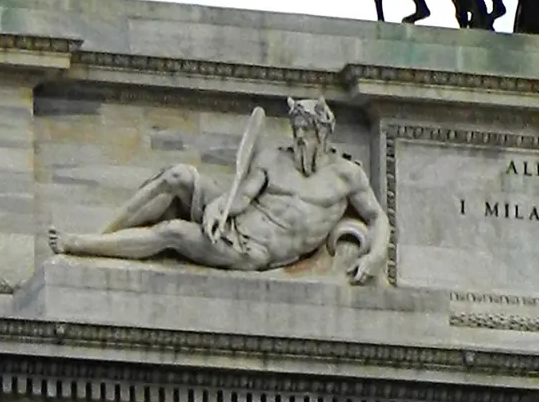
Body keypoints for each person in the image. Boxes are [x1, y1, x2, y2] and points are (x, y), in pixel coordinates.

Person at [60, 97, 391, 284]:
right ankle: (104, 234)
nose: (299, 137)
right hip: (235, 221)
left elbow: (377, 217)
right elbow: (244, 197)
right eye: (296, 130)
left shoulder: (348, 176)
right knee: (178, 176)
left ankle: (85, 246)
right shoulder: (273, 160)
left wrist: (376, 256)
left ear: (323, 133)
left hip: (255, 251)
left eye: (305, 130)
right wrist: (220, 207)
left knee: (172, 232)